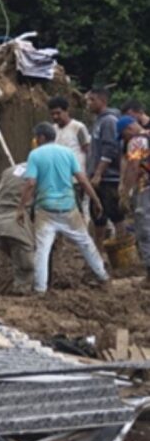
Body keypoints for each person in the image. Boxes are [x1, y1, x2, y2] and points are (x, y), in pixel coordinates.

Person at [18, 122, 108, 293]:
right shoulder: (67, 153)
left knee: (42, 250)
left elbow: (30, 183)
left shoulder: (35, 155)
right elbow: (82, 180)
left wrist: (20, 208)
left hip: (45, 210)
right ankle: (103, 276)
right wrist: (96, 200)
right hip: (68, 208)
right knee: (86, 243)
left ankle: (40, 289)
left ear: (41, 137)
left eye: (36, 137)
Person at [87, 87, 124, 247]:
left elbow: (110, 149)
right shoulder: (98, 120)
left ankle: (123, 250)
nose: (88, 103)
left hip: (108, 178)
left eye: (92, 100)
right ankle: (98, 253)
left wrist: (98, 174)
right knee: (97, 215)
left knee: (115, 214)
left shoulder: (109, 121)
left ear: (103, 101)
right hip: (98, 177)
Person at [0, 163, 35, 294]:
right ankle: (22, 295)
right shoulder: (38, 172)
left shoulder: (9, 172)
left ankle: (2, 290)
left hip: (0, 225)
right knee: (27, 266)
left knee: (17, 261)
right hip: (17, 226)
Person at [118, 115, 150, 284]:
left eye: (123, 136)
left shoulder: (136, 142)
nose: (124, 140)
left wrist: (126, 192)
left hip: (145, 188)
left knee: (145, 228)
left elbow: (133, 167)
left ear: (128, 129)